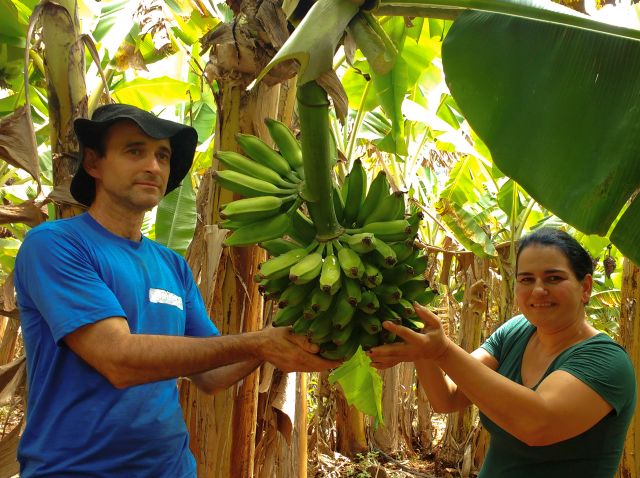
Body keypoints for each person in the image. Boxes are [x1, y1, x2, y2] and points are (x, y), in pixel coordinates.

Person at [13, 103, 338, 477]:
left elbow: (212, 375)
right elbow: (116, 358)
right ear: (93, 163)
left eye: (162, 155)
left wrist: (288, 328)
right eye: (134, 151)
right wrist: (258, 344)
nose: (153, 166)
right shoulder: (56, 245)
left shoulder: (171, 266)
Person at [368, 228, 636, 478]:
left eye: (554, 278)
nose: (538, 290)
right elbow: (447, 398)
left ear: (585, 287)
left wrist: (442, 351)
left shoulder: (606, 361)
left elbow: (536, 424)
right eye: (526, 279)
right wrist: (420, 346)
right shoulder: (517, 331)